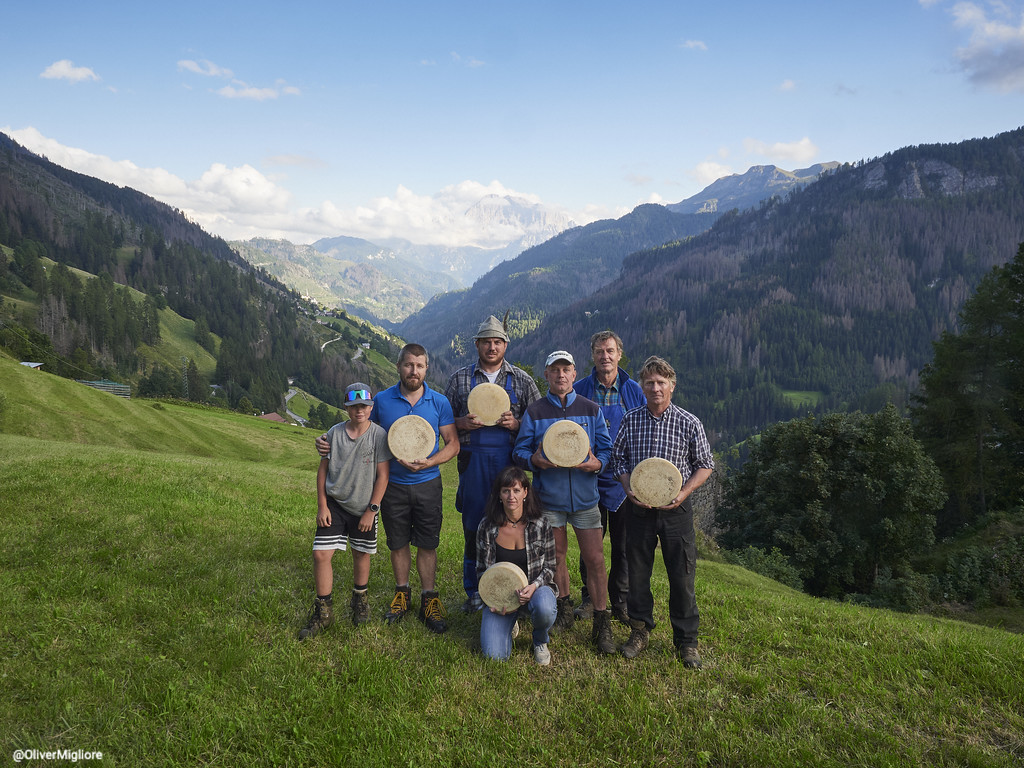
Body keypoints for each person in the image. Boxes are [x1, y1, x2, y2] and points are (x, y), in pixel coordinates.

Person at [316, 343, 459, 633]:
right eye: (408, 365)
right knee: (398, 543)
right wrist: (326, 440)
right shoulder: (381, 400)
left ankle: (428, 600)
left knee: (428, 544)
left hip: (428, 484)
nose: (413, 371)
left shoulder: (439, 402)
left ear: (426, 368)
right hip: (392, 485)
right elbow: (361, 429)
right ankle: (402, 595)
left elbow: (453, 443)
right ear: (399, 367)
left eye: (419, 366)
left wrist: (430, 462)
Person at [611, 356, 714, 669]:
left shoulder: (688, 422)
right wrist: (629, 489)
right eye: (649, 382)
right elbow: (618, 460)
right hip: (638, 509)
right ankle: (639, 631)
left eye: (661, 382)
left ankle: (686, 642)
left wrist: (683, 492)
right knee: (638, 574)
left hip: (676, 510)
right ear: (642, 386)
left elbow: (705, 465)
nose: (655, 388)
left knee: (682, 576)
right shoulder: (631, 420)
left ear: (672, 385)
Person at [512, 350, 616, 654]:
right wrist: (535, 460)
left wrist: (596, 465)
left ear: (574, 374)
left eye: (566, 369)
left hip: (585, 499)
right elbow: (519, 452)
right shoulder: (535, 411)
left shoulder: (591, 409)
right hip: (549, 500)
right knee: (556, 555)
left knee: (594, 559)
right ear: (546, 375)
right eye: (554, 370)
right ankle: (563, 606)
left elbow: (607, 451)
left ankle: (601, 618)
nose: (560, 375)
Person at [445, 315, 542, 613]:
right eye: (486, 341)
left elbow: (538, 420)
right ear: (476, 344)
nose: (491, 347)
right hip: (473, 463)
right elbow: (443, 420)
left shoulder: (522, 380)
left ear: (505, 345)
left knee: (511, 525)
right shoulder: (460, 378)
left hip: (507, 465)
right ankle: (475, 592)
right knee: (474, 528)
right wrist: (461, 421)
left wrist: (517, 423)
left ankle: (514, 587)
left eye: (497, 342)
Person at [300, 382, 391, 640]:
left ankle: (359, 599)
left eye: (363, 406)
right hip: (335, 504)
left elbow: (383, 476)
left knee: (361, 554)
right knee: (321, 554)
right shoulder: (334, 433)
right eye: (353, 407)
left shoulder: (379, 436)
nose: (358, 411)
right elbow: (323, 470)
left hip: (364, 507)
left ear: (371, 408)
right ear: (346, 408)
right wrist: (322, 505)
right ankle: (323, 610)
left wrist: (372, 511)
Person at [572, 330, 646, 625]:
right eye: (600, 351)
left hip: (624, 481)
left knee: (623, 545)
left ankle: (620, 601)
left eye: (610, 351)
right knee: (590, 544)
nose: (605, 356)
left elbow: (642, 432)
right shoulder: (579, 389)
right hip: (588, 479)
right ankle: (590, 598)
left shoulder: (633, 390)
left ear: (619, 355)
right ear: (593, 355)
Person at [476, 466, 557, 665]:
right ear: (499, 496)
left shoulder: (540, 524)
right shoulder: (486, 526)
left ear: (525, 493)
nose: (511, 496)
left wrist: (534, 586)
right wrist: (497, 600)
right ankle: (511, 622)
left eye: (516, 490)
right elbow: (482, 571)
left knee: (545, 607)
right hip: (502, 597)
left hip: (535, 590)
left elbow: (551, 567)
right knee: (494, 656)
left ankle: (539, 640)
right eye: (506, 491)